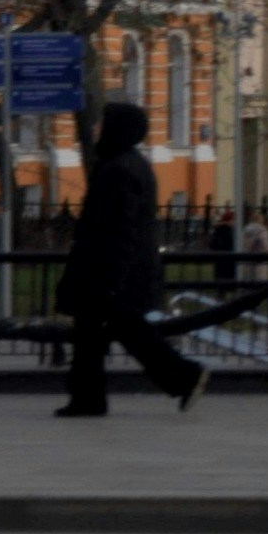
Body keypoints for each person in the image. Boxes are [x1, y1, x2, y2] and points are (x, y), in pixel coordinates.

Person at [54, 98, 206, 418]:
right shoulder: (129, 164)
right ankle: (90, 397)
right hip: (115, 269)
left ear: (116, 128)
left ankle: (181, 376)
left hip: (107, 269)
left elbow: (120, 228)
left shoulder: (118, 170)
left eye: (103, 123)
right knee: (110, 331)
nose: (96, 129)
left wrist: (112, 277)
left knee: (108, 332)